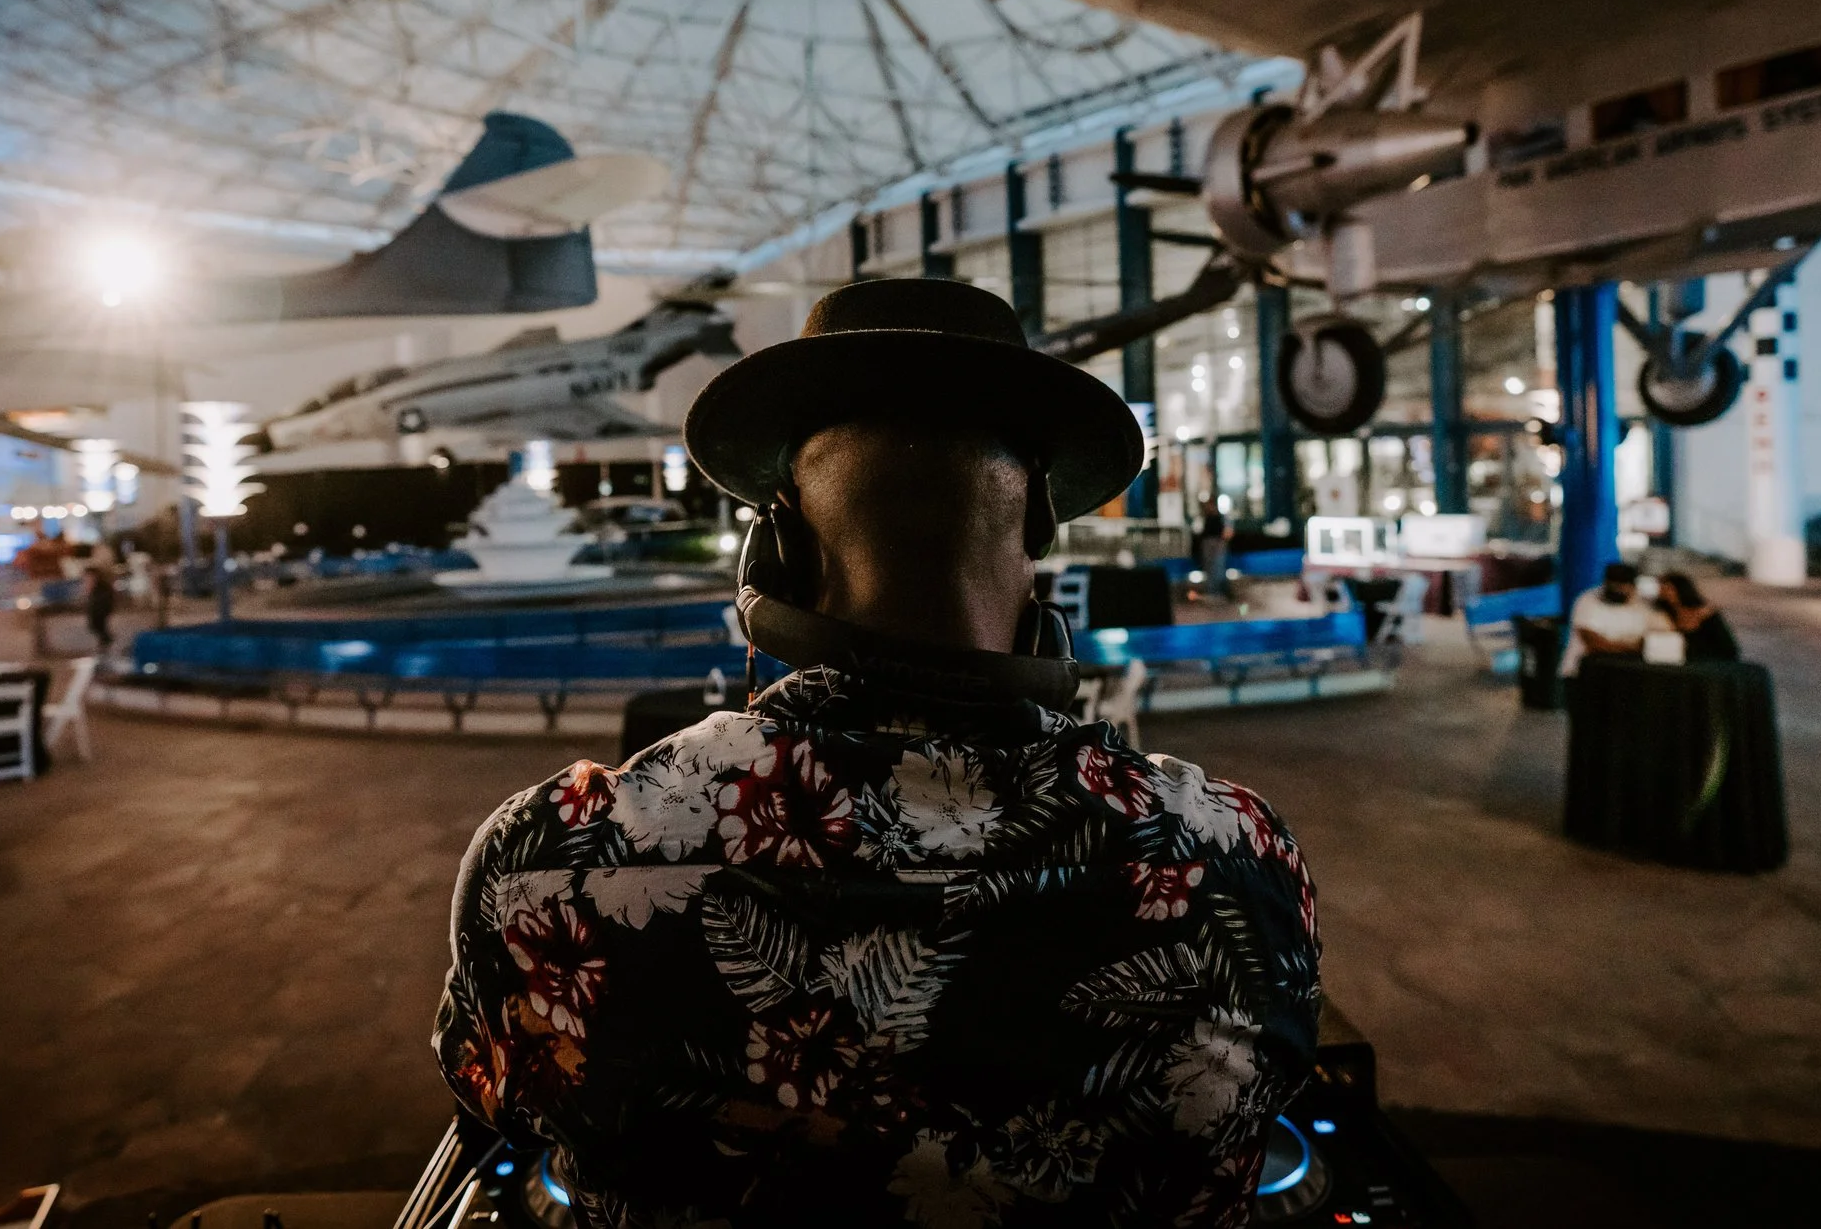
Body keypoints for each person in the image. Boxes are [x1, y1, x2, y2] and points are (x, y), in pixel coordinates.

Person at [435, 280, 1322, 1227]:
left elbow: (493, 1106)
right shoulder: (1237, 861)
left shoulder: (543, 866)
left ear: (773, 544)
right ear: (1041, 526)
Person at [1560, 561, 1657, 678]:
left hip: (1625, 674)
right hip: (1581, 672)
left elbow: (1648, 642)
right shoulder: (1587, 600)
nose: (1617, 590)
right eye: (1613, 585)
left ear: (1632, 587)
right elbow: (1593, 641)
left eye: (1621, 587)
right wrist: (1628, 648)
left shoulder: (1642, 606)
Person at [1654, 571, 1740, 662]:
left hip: (1710, 663)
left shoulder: (1707, 614)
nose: (1664, 592)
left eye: (1668, 588)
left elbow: (1730, 648)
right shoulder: (1665, 614)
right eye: (1662, 588)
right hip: (1682, 664)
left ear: (1680, 589)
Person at [83, 561, 118, 654]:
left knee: (98, 626)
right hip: (99, 609)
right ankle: (105, 643)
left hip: (100, 609)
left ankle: (105, 642)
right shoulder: (100, 587)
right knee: (98, 627)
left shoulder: (101, 589)